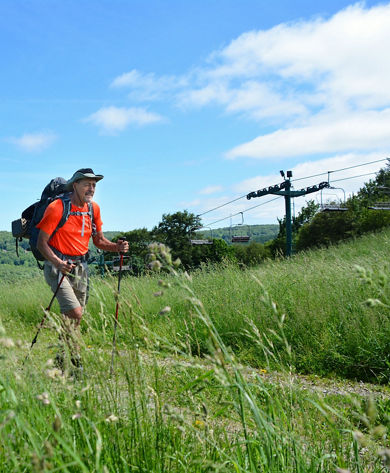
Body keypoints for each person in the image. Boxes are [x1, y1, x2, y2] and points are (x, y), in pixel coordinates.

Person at [36, 168, 129, 375]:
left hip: (81, 268)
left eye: (94, 184)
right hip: (56, 266)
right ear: (75, 185)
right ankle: (77, 365)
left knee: (74, 318)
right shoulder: (57, 207)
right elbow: (42, 244)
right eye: (87, 184)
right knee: (75, 312)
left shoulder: (92, 209)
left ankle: (60, 358)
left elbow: (98, 241)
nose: (92, 188)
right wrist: (58, 262)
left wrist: (117, 247)